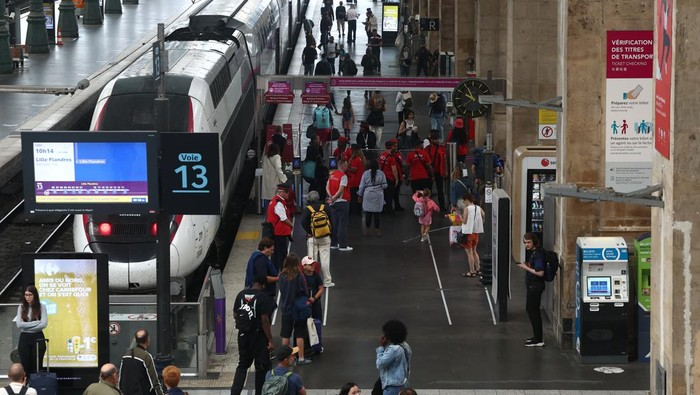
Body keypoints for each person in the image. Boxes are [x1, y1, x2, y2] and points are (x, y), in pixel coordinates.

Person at [230, 274, 276, 395]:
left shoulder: (240, 295)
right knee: (261, 367)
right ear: (263, 285)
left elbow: (235, 314)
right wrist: (270, 339)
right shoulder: (263, 297)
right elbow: (265, 321)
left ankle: (234, 393)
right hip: (259, 337)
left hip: (243, 336)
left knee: (242, 366)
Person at [278, 254, 312, 365]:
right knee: (300, 334)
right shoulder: (299, 276)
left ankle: (285, 358)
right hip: (298, 309)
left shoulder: (281, 276)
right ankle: (301, 358)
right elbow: (305, 291)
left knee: (286, 334)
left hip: (286, 308)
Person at [515, 232, 546, 347]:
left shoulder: (537, 255)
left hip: (535, 287)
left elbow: (540, 272)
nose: (526, 245)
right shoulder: (535, 253)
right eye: (525, 242)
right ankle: (537, 336)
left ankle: (538, 339)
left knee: (533, 311)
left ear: (534, 242)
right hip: (533, 286)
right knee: (531, 310)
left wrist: (525, 268)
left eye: (528, 242)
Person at [301, 191, 334, 288]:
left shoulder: (308, 209)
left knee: (312, 260)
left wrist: (310, 232)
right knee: (325, 260)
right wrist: (330, 234)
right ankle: (327, 281)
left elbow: (303, 222)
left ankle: (313, 281)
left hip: (313, 238)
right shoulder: (325, 207)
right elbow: (332, 221)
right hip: (325, 237)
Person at [119, 329, 164, 395]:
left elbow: (121, 378)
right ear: (147, 340)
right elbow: (154, 381)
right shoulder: (146, 356)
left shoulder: (125, 355)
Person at [15, 285, 47, 376]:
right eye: (26, 295)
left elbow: (44, 324)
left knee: (37, 365)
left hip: (38, 337)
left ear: (34, 295)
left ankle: (37, 386)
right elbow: (19, 325)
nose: (27, 297)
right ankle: (27, 386)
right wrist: (37, 322)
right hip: (24, 338)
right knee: (25, 365)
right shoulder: (21, 307)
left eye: (30, 295)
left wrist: (26, 326)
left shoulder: (42, 307)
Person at [376, 320, 412, 395]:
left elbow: (380, 364)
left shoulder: (393, 349)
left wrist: (381, 347)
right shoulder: (405, 346)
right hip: (403, 384)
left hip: (392, 387)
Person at [326, 159, 352, 251]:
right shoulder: (343, 176)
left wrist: (331, 197)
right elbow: (341, 189)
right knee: (342, 224)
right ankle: (342, 245)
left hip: (333, 203)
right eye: (346, 165)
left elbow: (327, 187)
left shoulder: (332, 175)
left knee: (334, 223)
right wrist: (334, 197)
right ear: (342, 166)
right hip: (342, 202)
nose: (347, 167)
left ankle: (333, 243)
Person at [266, 184, 294, 270]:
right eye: (286, 193)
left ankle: (277, 270)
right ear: (281, 192)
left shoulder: (275, 200)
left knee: (276, 252)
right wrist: (292, 225)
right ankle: (282, 270)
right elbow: (283, 218)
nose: (288, 195)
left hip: (277, 231)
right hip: (279, 232)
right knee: (281, 253)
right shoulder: (278, 203)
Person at [358, 159, 388, 236]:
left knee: (368, 213)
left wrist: (360, 195)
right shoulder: (381, 173)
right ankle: (377, 231)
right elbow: (385, 185)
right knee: (377, 214)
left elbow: (361, 186)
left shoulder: (365, 173)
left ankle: (367, 231)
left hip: (368, 195)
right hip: (378, 195)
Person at [460, 192, 484, 278]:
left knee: (469, 253)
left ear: (467, 200)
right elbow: (484, 215)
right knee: (474, 251)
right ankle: (478, 269)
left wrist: (459, 217)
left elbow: (464, 221)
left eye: (464, 201)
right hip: (476, 233)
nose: (463, 203)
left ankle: (472, 271)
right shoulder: (478, 208)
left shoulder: (467, 209)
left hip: (468, 234)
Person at [379, 139, 404, 215]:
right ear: (391, 147)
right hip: (390, 178)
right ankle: (389, 211)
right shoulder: (391, 157)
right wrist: (396, 179)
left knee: (385, 194)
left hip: (384, 178)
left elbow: (380, 166)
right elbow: (394, 170)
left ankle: (383, 209)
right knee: (389, 195)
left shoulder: (382, 155)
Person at [424, 130, 447, 211]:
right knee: (430, 190)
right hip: (431, 172)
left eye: (437, 139)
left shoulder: (440, 148)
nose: (437, 141)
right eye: (435, 139)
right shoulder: (429, 149)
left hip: (436, 172)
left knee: (439, 190)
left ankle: (440, 206)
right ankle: (428, 206)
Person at [262, 144, 288, 209]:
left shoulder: (265, 157)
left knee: (268, 200)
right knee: (275, 200)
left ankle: (268, 215)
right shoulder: (277, 157)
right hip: (274, 180)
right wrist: (284, 179)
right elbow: (278, 168)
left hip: (266, 181)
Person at [304, 134, 328, 200]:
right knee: (314, 183)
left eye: (318, 139)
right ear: (313, 140)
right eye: (317, 139)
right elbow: (310, 157)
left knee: (319, 183)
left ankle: (319, 197)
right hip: (313, 169)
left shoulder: (319, 147)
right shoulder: (310, 148)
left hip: (319, 169)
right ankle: (312, 197)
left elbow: (321, 157)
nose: (318, 140)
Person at [347, 144, 365, 216]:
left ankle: (353, 213)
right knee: (359, 198)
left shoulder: (355, 159)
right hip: (359, 181)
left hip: (353, 182)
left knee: (353, 199)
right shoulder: (362, 158)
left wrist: (346, 167)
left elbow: (354, 170)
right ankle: (358, 212)